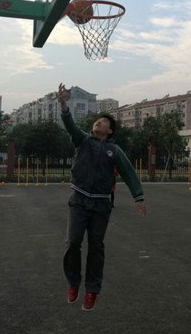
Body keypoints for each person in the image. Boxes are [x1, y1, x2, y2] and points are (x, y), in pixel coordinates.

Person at [57, 83, 146, 311]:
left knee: (96, 246)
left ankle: (92, 290)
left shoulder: (114, 151)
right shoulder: (83, 140)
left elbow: (128, 172)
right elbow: (70, 125)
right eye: (97, 120)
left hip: (100, 204)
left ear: (110, 131)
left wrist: (138, 197)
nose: (98, 122)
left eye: (103, 121)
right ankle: (73, 283)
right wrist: (64, 104)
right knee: (73, 242)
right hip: (79, 200)